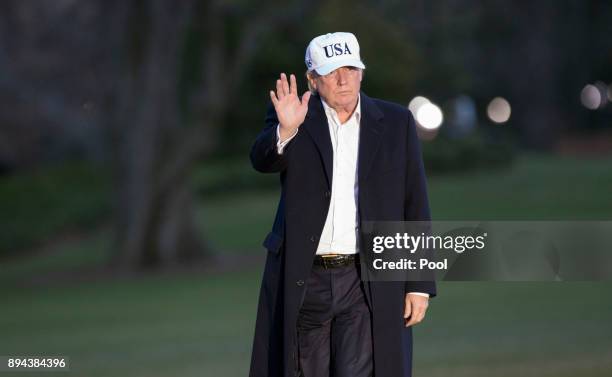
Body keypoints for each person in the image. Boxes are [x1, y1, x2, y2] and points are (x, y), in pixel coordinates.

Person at [249, 32, 436, 377]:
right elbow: (261, 159)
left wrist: (419, 283)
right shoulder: (296, 117)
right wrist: (286, 131)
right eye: (332, 70)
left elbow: (415, 203)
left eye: (351, 68)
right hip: (306, 279)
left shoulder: (397, 122)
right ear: (312, 79)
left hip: (365, 279)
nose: (343, 78)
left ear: (362, 72)